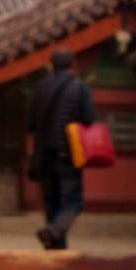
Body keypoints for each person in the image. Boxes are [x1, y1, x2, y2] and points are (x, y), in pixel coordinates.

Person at [27, 48, 95, 250]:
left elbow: (30, 125)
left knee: (52, 202)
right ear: (73, 64)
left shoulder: (39, 88)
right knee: (74, 201)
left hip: (43, 154)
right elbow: (88, 119)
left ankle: (55, 248)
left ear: (51, 66)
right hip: (68, 152)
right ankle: (54, 231)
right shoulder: (80, 88)